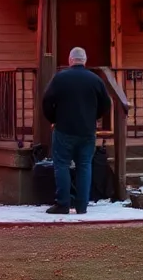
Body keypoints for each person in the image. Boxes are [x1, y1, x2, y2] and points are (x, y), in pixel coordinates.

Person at [42, 46, 111, 215]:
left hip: (64, 129)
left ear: (70, 60)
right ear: (85, 61)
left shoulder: (60, 78)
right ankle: (82, 206)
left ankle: (63, 204)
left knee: (62, 165)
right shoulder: (95, 80)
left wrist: (54, 119)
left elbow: (46, 101)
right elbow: (106, 104)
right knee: (85, 166)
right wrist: (94, 117)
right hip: (87, 131)